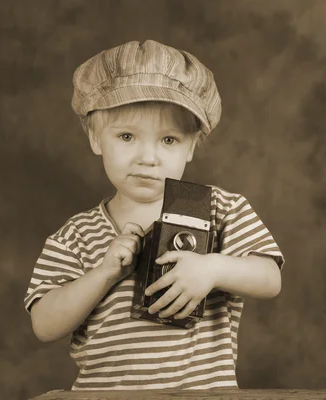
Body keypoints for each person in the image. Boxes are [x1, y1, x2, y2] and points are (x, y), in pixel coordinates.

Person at [24, 40, 285, 391]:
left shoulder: (220, 210)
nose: (148, 157)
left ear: (192, 145)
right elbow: (44, 324)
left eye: (169, 140)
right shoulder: (76, 235)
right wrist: (103, 274)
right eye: (127, 136)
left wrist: (212, 268)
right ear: (95, 137)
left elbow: (270, 278)